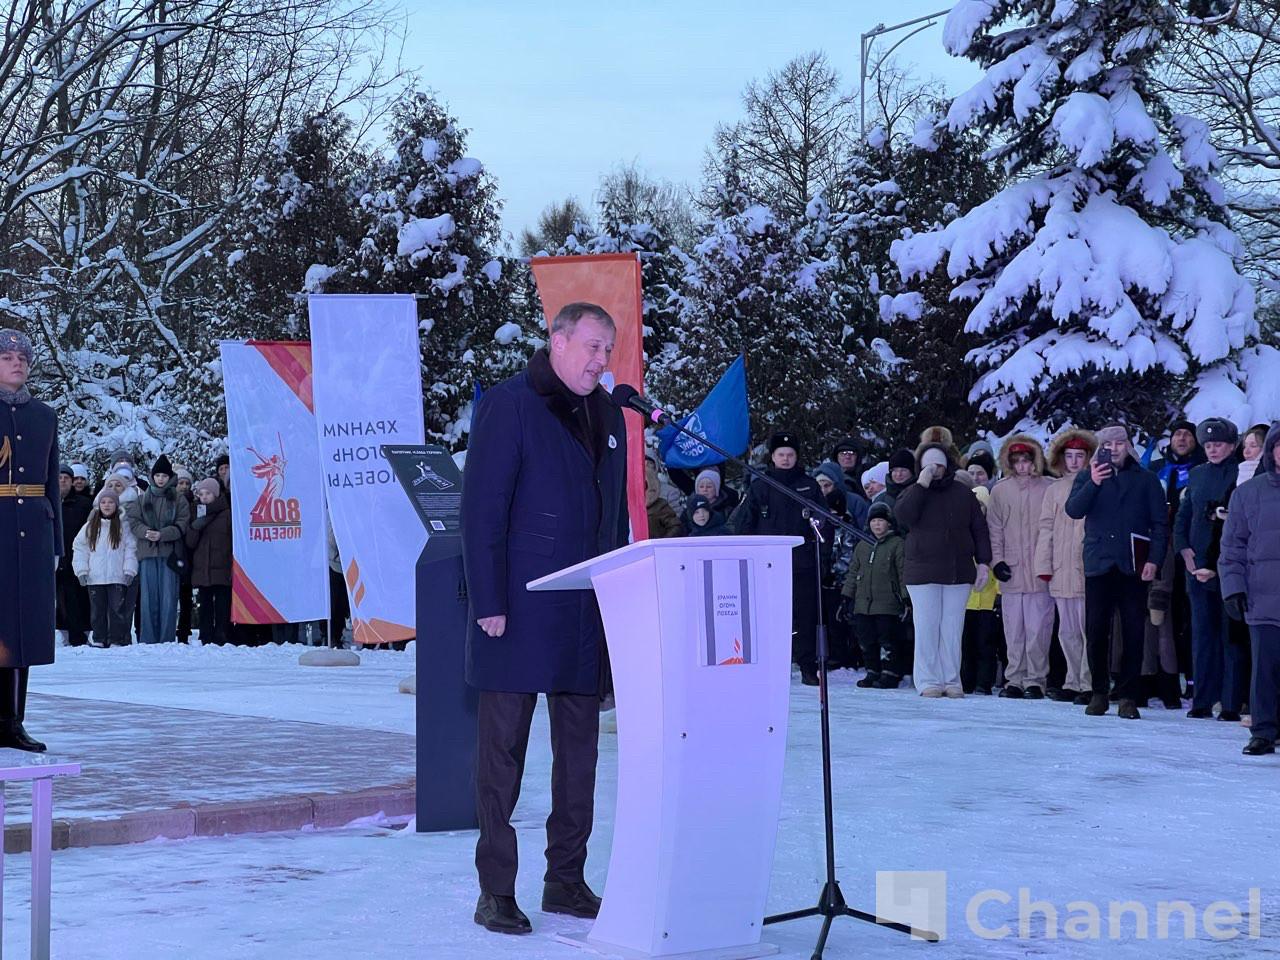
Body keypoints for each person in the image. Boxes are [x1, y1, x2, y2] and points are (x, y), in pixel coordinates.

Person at [460, 302, 629, 935]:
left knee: (578, 754)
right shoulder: (511, 404)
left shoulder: (609, 412)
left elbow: (612, 518)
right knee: (502, 755)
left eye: (606, 351)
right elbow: (482, 510)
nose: (599, 361)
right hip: (519, 606)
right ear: (556, 341)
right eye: (590, 346)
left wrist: (617, 596)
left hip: (583, 611)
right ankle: (496, 890)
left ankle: (565, 878)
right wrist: (489, 602)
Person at [1065, 424, 1167, 720]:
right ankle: (1098, 692)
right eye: (1108, 444)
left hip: (1133, 565)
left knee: (1134, 631)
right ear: (1101, 447)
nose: (1114, 448)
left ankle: (1128, 695)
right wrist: (1093, 482)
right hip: (1099, 563)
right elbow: (1073, 510)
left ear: (1128, 445)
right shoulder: (1089, 475)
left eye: (1120, 443)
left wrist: (1155, 560)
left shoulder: (1146, 480)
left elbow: (1160, 524)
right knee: (1096, 630)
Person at [0, 328, 61, 751]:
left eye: (22, 357)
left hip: (33, 533)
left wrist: (55, 542)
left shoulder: (45, 416)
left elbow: (52, 483)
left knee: (23, 632)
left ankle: (13, 721)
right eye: (6, 357)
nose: (17, 363)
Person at [895, 441, 992, 698]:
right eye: (929, 463)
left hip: (957, 571)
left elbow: (979, 529)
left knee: (952, 627)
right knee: (927, 625)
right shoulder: (914, 491)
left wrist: (983, 562)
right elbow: (903, 516)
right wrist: (921, 484)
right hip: (922, 572)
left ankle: (951, 679)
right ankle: (927, 680)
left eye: (939, 463)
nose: (935, 468)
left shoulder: (962, 493)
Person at [736, 431, 828, 686]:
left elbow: (824, 523)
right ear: (773, 457)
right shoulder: (761, 485)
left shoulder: (809, 485)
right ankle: (768, 664)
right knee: (768, 616)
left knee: (805, 617)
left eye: (790, 455)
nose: (786, 459)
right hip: (768, 565)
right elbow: (745, 524)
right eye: (781, 455)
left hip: (803, 563)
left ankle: (808, 666)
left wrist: (821, 554)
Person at [1174, 418, 1246, 721]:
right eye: (1209, 444)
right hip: (1197, 566)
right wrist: (1184, 549)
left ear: (1232, 446)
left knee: (1230, 636)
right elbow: (1184, 515)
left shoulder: (1241, 474)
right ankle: (1202, 698)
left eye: (1220, 444)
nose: (1214, 449)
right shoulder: (1197, 474)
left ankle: (1230, 702)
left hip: (1226, 566)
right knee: (1201, 634)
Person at [1219, 422, 1280, 756]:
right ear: (1271, 451)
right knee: (1265, 670)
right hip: (1262, 596)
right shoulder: (1248, 493)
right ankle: (1264, 731)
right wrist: (1233, 588)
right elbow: (1232, 548)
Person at [988, 435, 1055, 699]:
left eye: (1026, 461)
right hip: (1012, 570)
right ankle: (1014, 678)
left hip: (1040, 571)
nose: (1022, 466)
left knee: (1039, 628)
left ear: (1034, 461)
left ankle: (1036, 680)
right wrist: (997, 561)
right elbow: (994, 530)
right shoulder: (1000, 490)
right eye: (1016, 461)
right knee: (1013, 629)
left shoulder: (1049, 487)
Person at [1035, 429, 1096, 704]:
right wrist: (1044, 565)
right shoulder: (1054, 489)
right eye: (1069, 456)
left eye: (1079, 456)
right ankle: (1072, 680)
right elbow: (1045, 529)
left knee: (1087, 629)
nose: (1073, 461)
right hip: (1060, 569)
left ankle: (1090, 682)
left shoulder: (1095, 484)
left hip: (1085, 569)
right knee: (1067, 630)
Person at [1152, 419, 1205, 698]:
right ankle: (1167, 677)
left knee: (1190, 615)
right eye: (1177, 434)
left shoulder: (1200, 469)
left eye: (1187, 434)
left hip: (1190, 549)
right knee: (1166, 615)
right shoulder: (1160, 470)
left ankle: (1196, 677)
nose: (1182, 439)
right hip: (1163, 548)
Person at [839, 502, 908, 688]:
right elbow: (853, 572)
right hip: (863, 603)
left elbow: (902, 572)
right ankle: (872, 670)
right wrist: (847, 595)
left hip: (888, 602)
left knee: (887, 639)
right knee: (866, 639)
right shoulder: (862, 545)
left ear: (889, 523)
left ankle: (890, 672)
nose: (877, 525)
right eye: (874, 521)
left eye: (881, 521)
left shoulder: (897, 544)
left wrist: (905, 597)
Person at [127, 454, 190, 645]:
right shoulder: (142, 498)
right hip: (147, 553)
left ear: (169, 477)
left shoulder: (178, 499)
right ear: (152, 477)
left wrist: (163, 534)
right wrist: (146, 532)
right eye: (157, 475)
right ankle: (148, 639)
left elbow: (183, 523)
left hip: (169, 554)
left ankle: (166, 638)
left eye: (164, 475)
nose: (160, 479)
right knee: (147, 599)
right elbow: (133, 520)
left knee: (169, 598)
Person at [72, 489, 137, 648]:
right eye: (103, 502)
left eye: (110, 502)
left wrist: (129, 570)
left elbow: (131, 549)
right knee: (97, 611)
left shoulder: (123, 526)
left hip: (117, 576)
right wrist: (81, 570)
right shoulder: (90, 526)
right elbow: (80, 548)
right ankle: (99, 638)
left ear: (116, 504)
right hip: (96, 577)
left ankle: (116, 638)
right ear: (98, 505)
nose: (107, 505)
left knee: (117, 609)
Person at [186, 478, 232, 646]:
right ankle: (205, 635)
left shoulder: (226, 514)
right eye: (201, 494)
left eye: (208, 493)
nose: (204, 497)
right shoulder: (195, 512)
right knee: (204, 605)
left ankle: (222, 634)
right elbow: (190, 543)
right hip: (202, 568)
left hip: (222, 567)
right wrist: (195, 527)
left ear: (216, 494)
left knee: (222, 604)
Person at [56, 462, 93, 646]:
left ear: (72, 482)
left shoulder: (83, 504)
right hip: (51, 558)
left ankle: (78, 637)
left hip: (74, 558)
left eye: (66, 479)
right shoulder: (46, 501)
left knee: (75, 599)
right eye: (60, 478)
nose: (62, 482)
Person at [173, 467, 196, 643]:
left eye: (187, 483)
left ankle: (184, 629)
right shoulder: (169, 502)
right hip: (172, 552)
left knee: (185, 594)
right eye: (181, 483)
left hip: (188, 553)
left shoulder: (194, 504)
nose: (184, 486)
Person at [644, 456, 682, 538]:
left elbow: (676, 526)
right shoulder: (626, 506)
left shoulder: (660, 505)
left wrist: (662, 542)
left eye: (650, 465)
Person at [831, 436, 867, 502]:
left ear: (857, 457)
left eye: (851, 453)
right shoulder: (830, 478)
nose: (847, 457)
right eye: (843, 453)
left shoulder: (866, 477)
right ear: (836, 457)